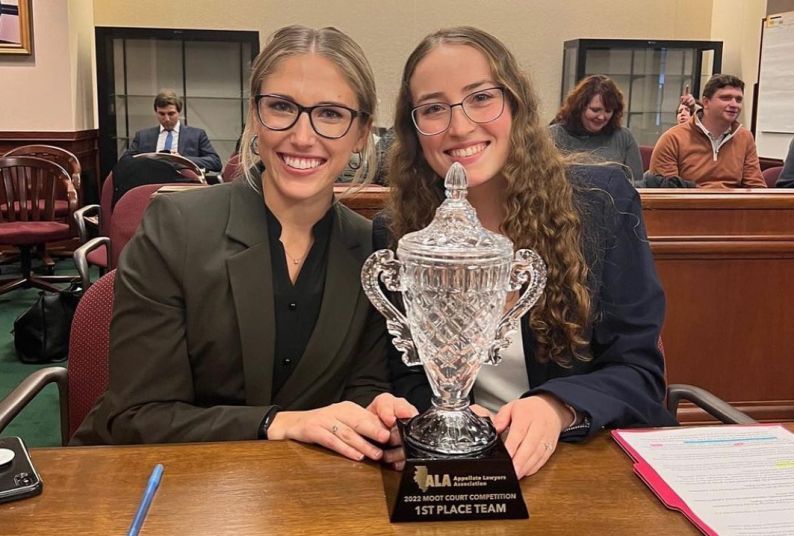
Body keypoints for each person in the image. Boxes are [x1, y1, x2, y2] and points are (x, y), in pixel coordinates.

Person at [72, 26, 415, 464]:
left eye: (330, 113)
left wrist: (377, 417)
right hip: (160, 482)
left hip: (301, 488)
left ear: (362, 132)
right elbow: (136, 416)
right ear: (255, 114)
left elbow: (361, 387)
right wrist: (277, 423)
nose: (303, 136)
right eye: (281, 107)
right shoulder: (176, 227)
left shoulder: (369, 247)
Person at [375, 27, 676, 479]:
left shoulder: (601, 203)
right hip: (467, 469)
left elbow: (639, 371)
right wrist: (425, 422)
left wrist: (557, 408)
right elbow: (408, 373)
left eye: (480, 97)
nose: (459, 126)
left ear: (515, 104)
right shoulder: (399, 231)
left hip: (586, 464)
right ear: (413, 129)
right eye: (434, 108)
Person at [649, 74, 765, 188]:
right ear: (705, 102)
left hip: (735, 206)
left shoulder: (745, 137)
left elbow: (756, 188)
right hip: (688, 205)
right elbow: (665, 194)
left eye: (738, 100)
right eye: (726, 98)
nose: (734, 105)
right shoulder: (672, 138)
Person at [549, 75, 643, 186]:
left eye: (608, 111)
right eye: (595, 110)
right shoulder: (554, 135)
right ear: (579, 107)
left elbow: (637, 184)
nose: (601, 117)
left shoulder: (624, 137)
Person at [125, 89, 222, 172]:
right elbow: (125, 161)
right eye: (162, 114)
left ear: (179, 112)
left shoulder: (196, 135)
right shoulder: (143, 136)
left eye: (171, 114)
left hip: (184, 183)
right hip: (150, 181)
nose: (166, 119)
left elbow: (215, 163)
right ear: (156, 112)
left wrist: (183, 160)